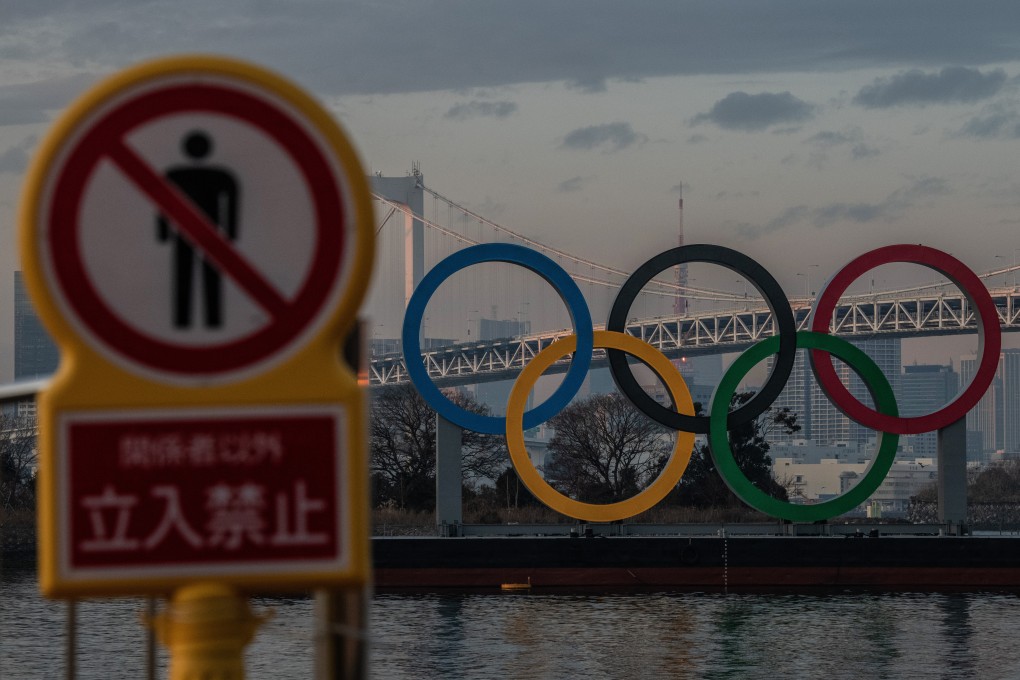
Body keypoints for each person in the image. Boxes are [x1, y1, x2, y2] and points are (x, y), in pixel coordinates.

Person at [156, 130, 239, 328]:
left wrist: (164, 232)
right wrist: (230, 233)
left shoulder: (175, 175)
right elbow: (233, 204)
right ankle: (210, 321)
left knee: (185, 277)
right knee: (204, 278)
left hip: (191, 234)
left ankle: (185, 322)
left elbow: (163, 206)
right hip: (204, 234)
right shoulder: (221, 176)